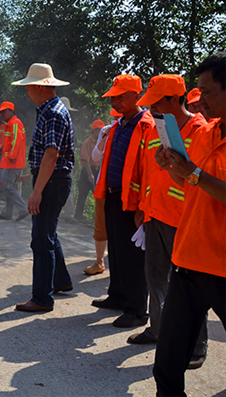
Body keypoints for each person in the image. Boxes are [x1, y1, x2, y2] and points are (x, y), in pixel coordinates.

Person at [153, 52, 226, 397]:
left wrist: (192, 173)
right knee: (167, 364)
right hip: (188, 260)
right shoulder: (205, 132)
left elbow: (201, 180)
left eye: (208, 92)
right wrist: (173, 166)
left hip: (223, 266)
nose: (200, 100)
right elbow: (191, 184)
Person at [129, 75, 209, 352]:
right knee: (155, 278)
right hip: (155, 214)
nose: (152, 109)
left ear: (175, 99)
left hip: (185, 219)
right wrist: (142, 207)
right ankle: (157, 329)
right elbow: (150, 171)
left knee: (191, 287)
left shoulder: (201, 130)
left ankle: (196, 345)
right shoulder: (157, 128)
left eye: (157, 103)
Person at [91, 74, 154, 328]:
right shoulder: (118, 125)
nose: (115, 102)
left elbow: (150, 169)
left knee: (132, 257)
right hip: (114, 194)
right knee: (115, 249)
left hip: (133, 200)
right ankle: (117, 295)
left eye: (120, 97)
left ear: (136, 96)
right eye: (113, 97)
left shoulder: (147, 125)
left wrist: (143, 206)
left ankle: (137, 310)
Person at [11, 63, 75, 313]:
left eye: (28, 87)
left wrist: (36, 191)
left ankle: (42, 298)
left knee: (41, 239)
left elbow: (51, 155)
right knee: (49, 233)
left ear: (39, 87)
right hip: (52, 178)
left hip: (52, 180)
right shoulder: (49, 110)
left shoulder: (53, 113)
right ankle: (60, 280)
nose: (27, 92)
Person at [83, 118, 113, 276]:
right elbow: (95, 157)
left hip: (125, 187)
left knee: (121, 227)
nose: (116, 120)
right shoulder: (106, 131)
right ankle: (100, 261)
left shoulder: (137, 127)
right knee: (100, 223)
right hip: (104, 184)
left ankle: (119, 263)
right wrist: (104, 138)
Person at [0, 101, 28, 221]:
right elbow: (11, 141)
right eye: (1, 112)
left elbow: (16, 141)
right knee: (9, 186)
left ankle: (23, 209)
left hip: (13, 162)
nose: (1, 114)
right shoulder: (11, 124)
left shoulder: (15, 123)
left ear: (11, 111)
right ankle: (7, 213)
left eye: (4, 111)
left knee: (8, 187)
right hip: (11, 161)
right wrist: (3, 147)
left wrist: (12, 155)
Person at [74, 120, 104, 222]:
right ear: (94, 131)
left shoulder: (101, 141)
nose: (101, 132)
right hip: (87, 171)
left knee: (99, 195)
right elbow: (85, 160)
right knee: (83, 193)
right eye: (99, 130)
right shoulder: (87, 142)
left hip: (97, 170)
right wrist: (90, 175)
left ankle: (98, 217)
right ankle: (78, 216)